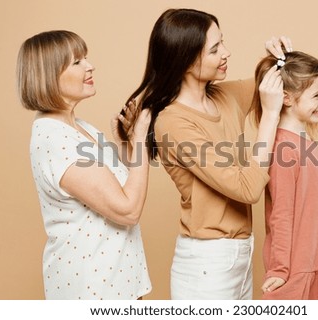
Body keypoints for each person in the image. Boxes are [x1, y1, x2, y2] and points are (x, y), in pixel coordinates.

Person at [120, 8, 292, 299]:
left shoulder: (224, 96)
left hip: (240, 255)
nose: (226, 52)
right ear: (185, 59)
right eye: (214, 49)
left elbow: (277, 82)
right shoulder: (174, 123)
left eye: (222, 42)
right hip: (207, 265)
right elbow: (248, 188)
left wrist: (281, 58)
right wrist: (271, 115)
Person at [16, 30, 152, 299]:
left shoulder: (80, 127)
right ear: (49, 75)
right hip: (92, 287)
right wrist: (141, 140)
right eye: (77, 62)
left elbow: (120, 188)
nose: (90, 66)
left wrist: (125, 144)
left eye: (85, 58)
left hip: (116, 280)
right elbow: (127, 210)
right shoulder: (56, 139)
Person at [251, 51, 318, 299]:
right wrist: (279, 269)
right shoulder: (284, 148)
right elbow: (281, 213)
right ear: (287, 98)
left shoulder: (306, 141)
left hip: (316, 262)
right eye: (316, 95)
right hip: (296, 271)